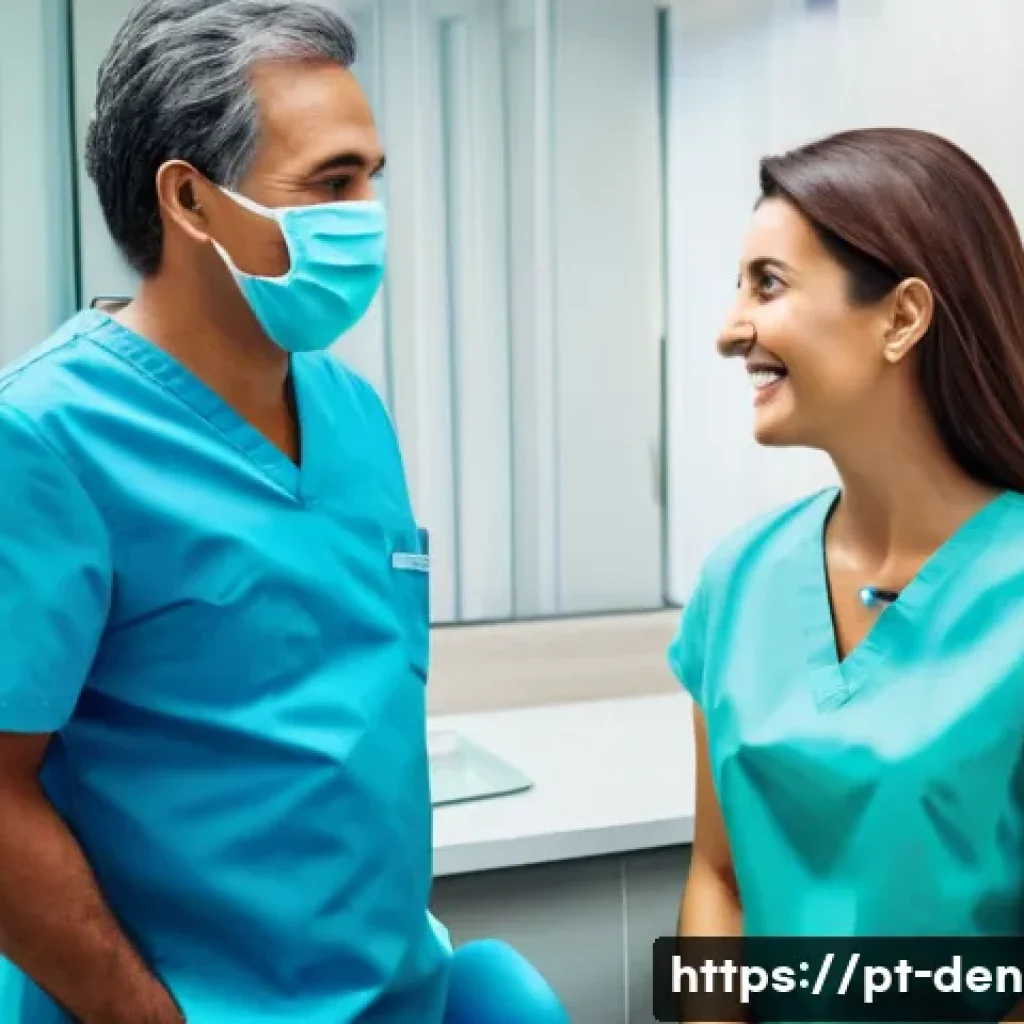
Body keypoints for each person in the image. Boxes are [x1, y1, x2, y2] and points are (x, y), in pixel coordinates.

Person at [0, 2, 567, 1022]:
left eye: (371, 179)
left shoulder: (352, 413)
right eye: (332, 182)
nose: (367, 213)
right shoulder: (44, 439)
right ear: (191, 200)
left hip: (389, 990)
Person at [671, 127, 1024, 984]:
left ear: (901, 318)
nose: (729, 330)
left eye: (770, 284)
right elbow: (719, 879)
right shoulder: (737, 581)